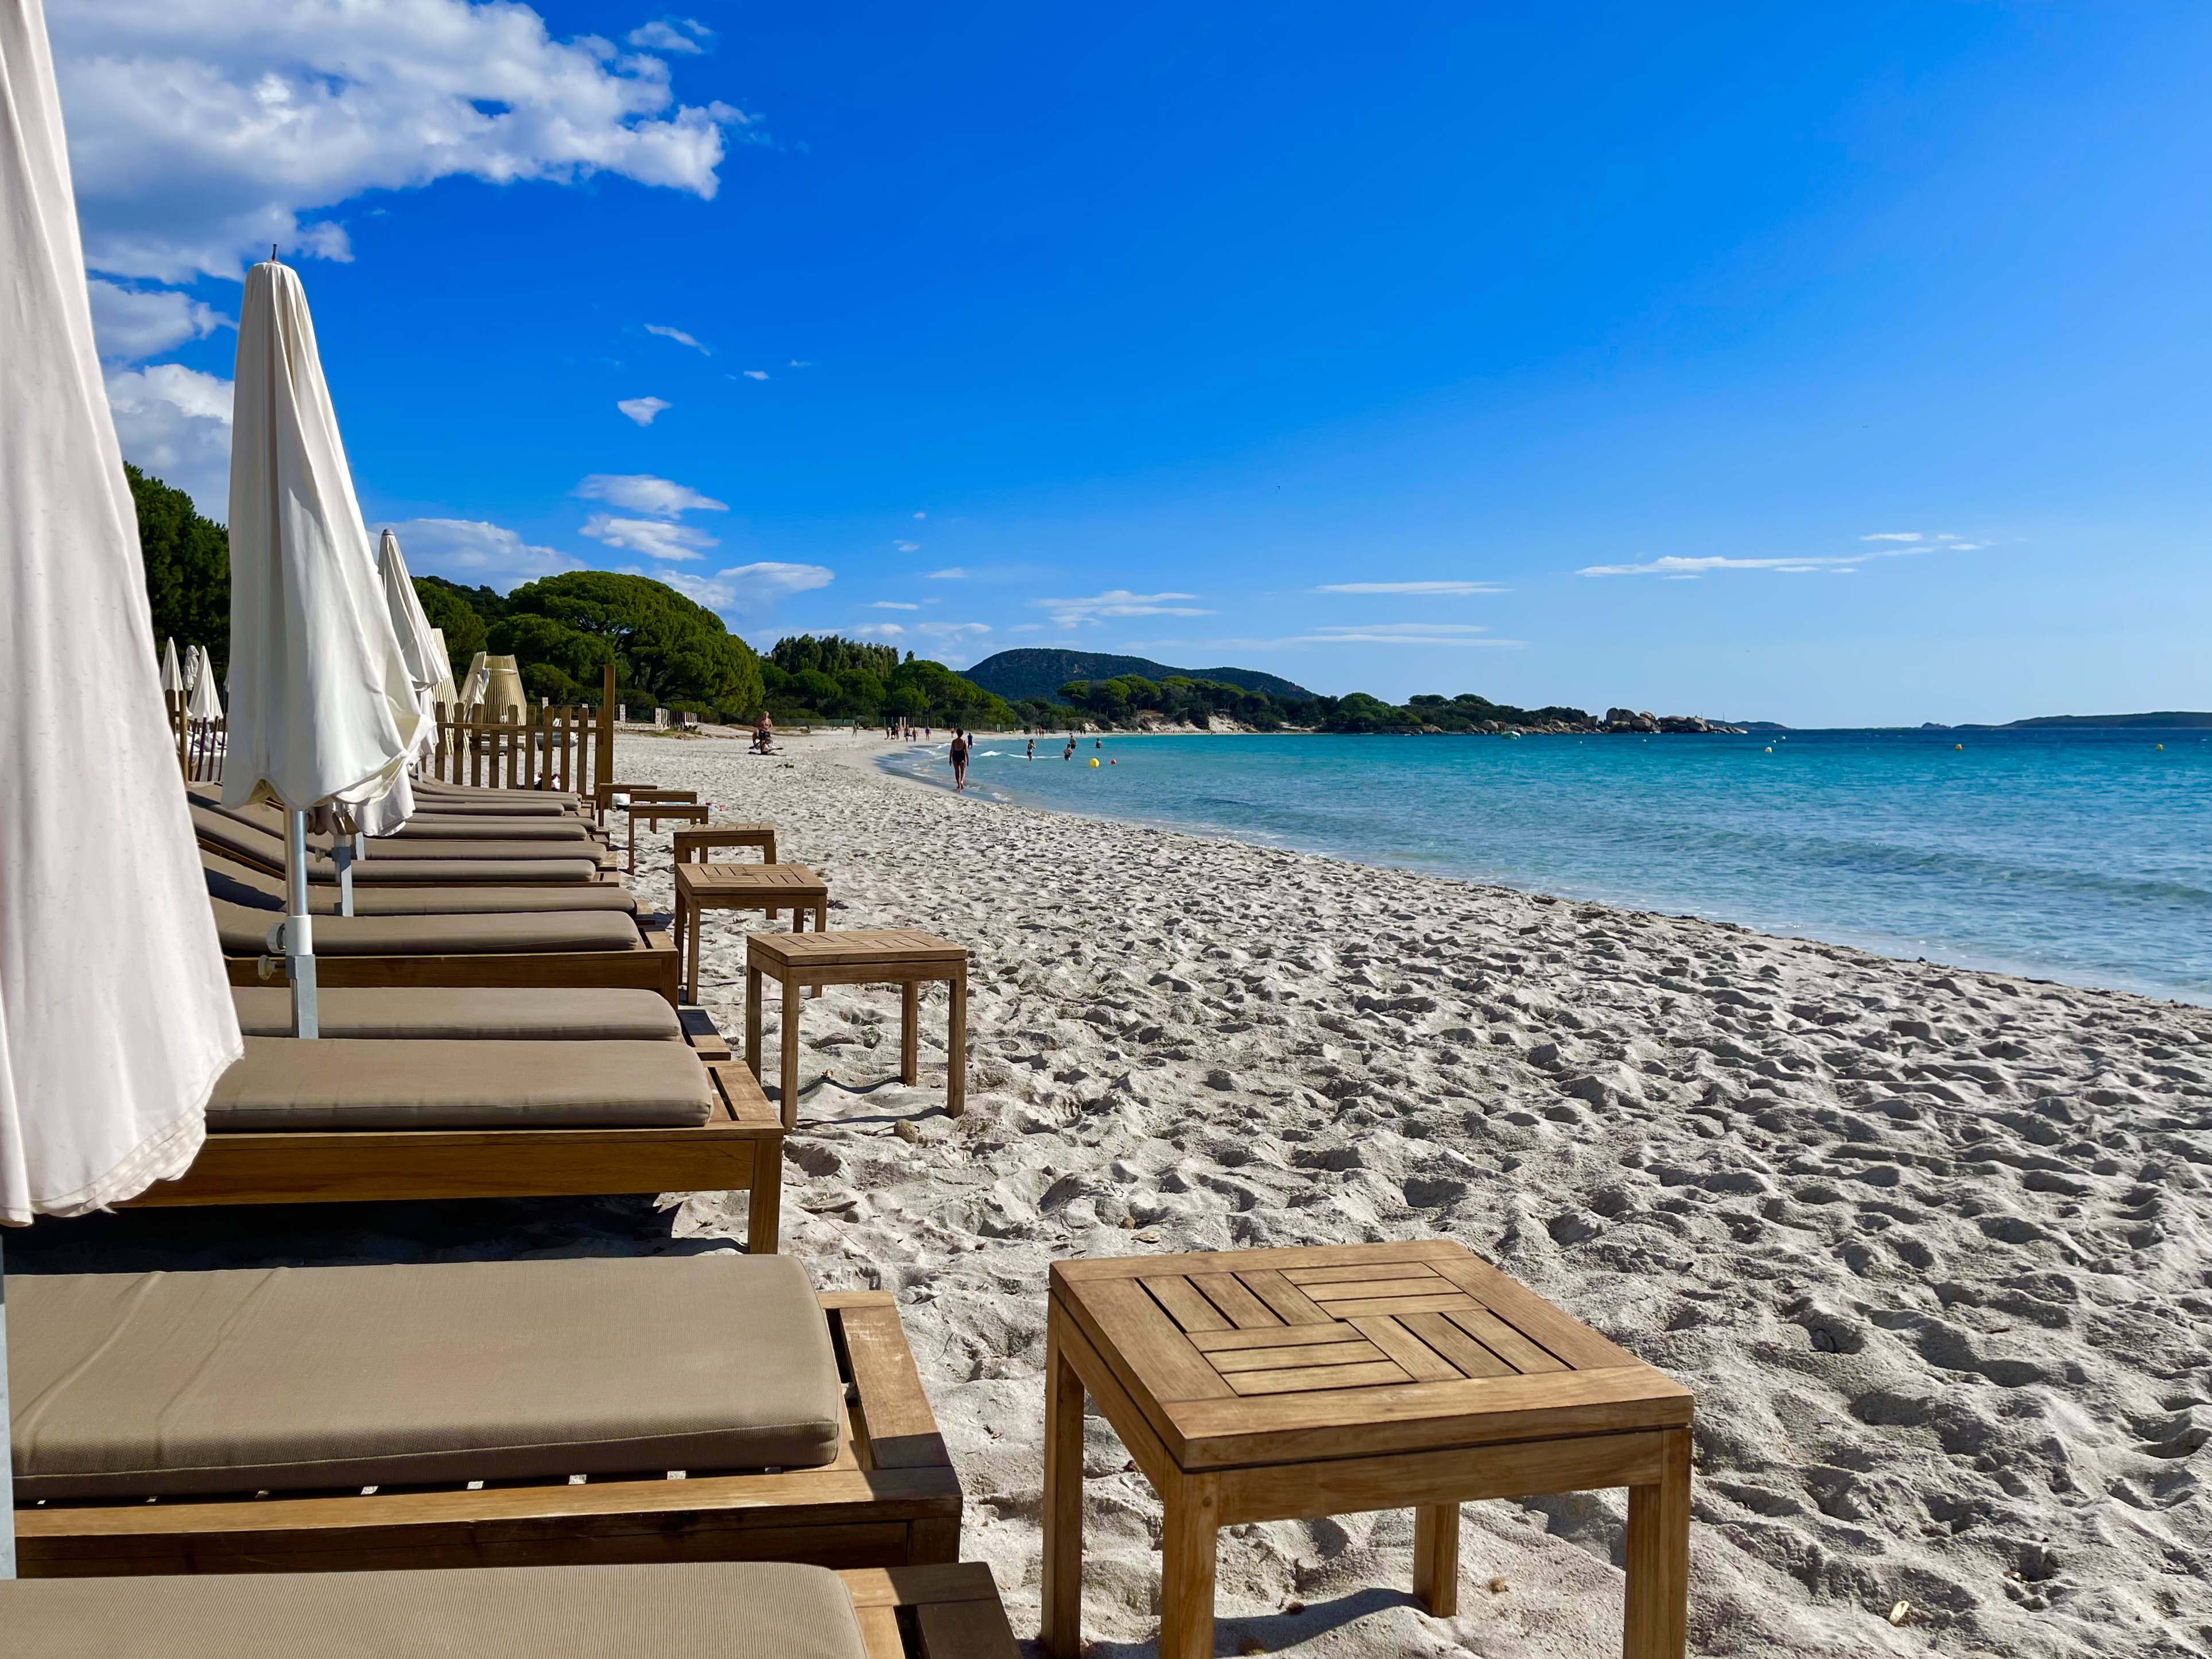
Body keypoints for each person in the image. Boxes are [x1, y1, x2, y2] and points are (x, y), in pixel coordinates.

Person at [949, 728, 970, 792]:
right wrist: (968, 760)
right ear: (962, 734)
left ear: (957, 733)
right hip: (962, 757)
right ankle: (962, 782)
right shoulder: (964, 741)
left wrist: (950, 759)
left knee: (957, 771)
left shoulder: (954, 741)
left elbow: (952, 751)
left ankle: (959, 785)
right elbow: (966, 752)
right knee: (963, 772)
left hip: (955, 757)